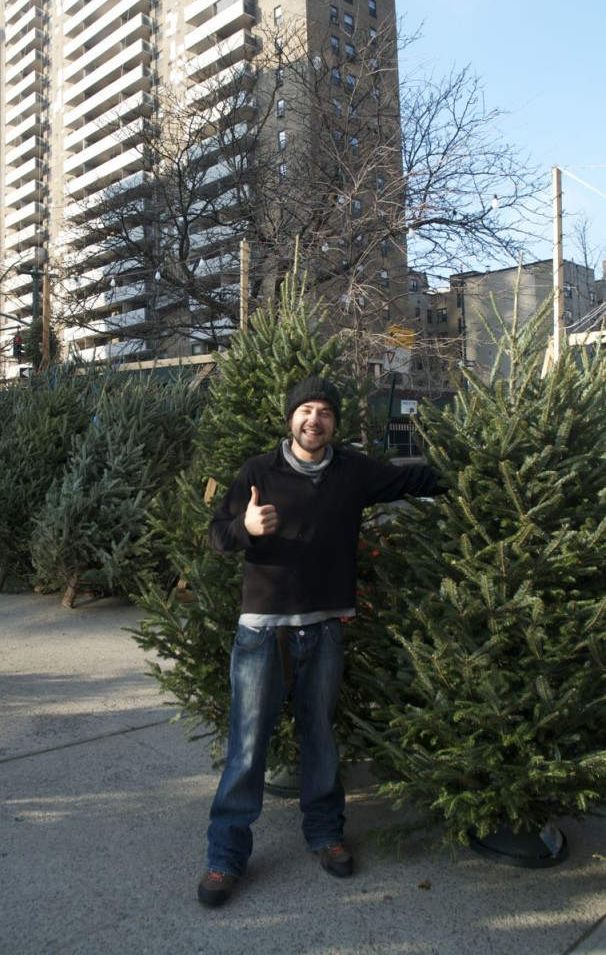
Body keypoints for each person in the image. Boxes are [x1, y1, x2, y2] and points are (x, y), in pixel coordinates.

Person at [198, 375, 444, 907]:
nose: (315, 420)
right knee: (246, 747)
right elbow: (217, 536)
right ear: (291, 418)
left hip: (325, 628)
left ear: (335, 422)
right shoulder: (258, 471)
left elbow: (414, 480)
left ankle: (326, 833)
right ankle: (225, 858)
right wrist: (246, 528)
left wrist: (478, 462)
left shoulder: (353, 470)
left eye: (325, 412)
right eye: (306, 410)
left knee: (321, 738)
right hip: (263, 633)